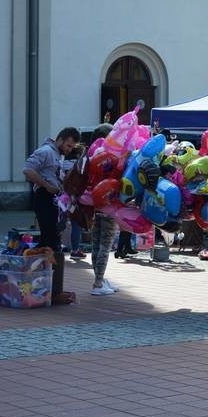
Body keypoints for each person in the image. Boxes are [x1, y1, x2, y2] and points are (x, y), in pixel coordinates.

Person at [22, 126, 80, 305]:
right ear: (61, 139)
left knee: (50, 241)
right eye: (69, 146)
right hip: (44, 199)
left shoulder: (57, 155)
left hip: (52, 201)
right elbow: (28, 170)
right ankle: (53, 291)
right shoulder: (46, 151)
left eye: (72, 147)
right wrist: (47, 185)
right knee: (51, 243)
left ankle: (45, 288)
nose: (69, 150)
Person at [89, 123, 121, 296]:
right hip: (110, 204)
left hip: (95, 204)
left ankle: (99, 279)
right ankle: (98, 283)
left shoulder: (92, 154)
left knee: (96, 243)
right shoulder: (111, 155)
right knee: (105, 245)